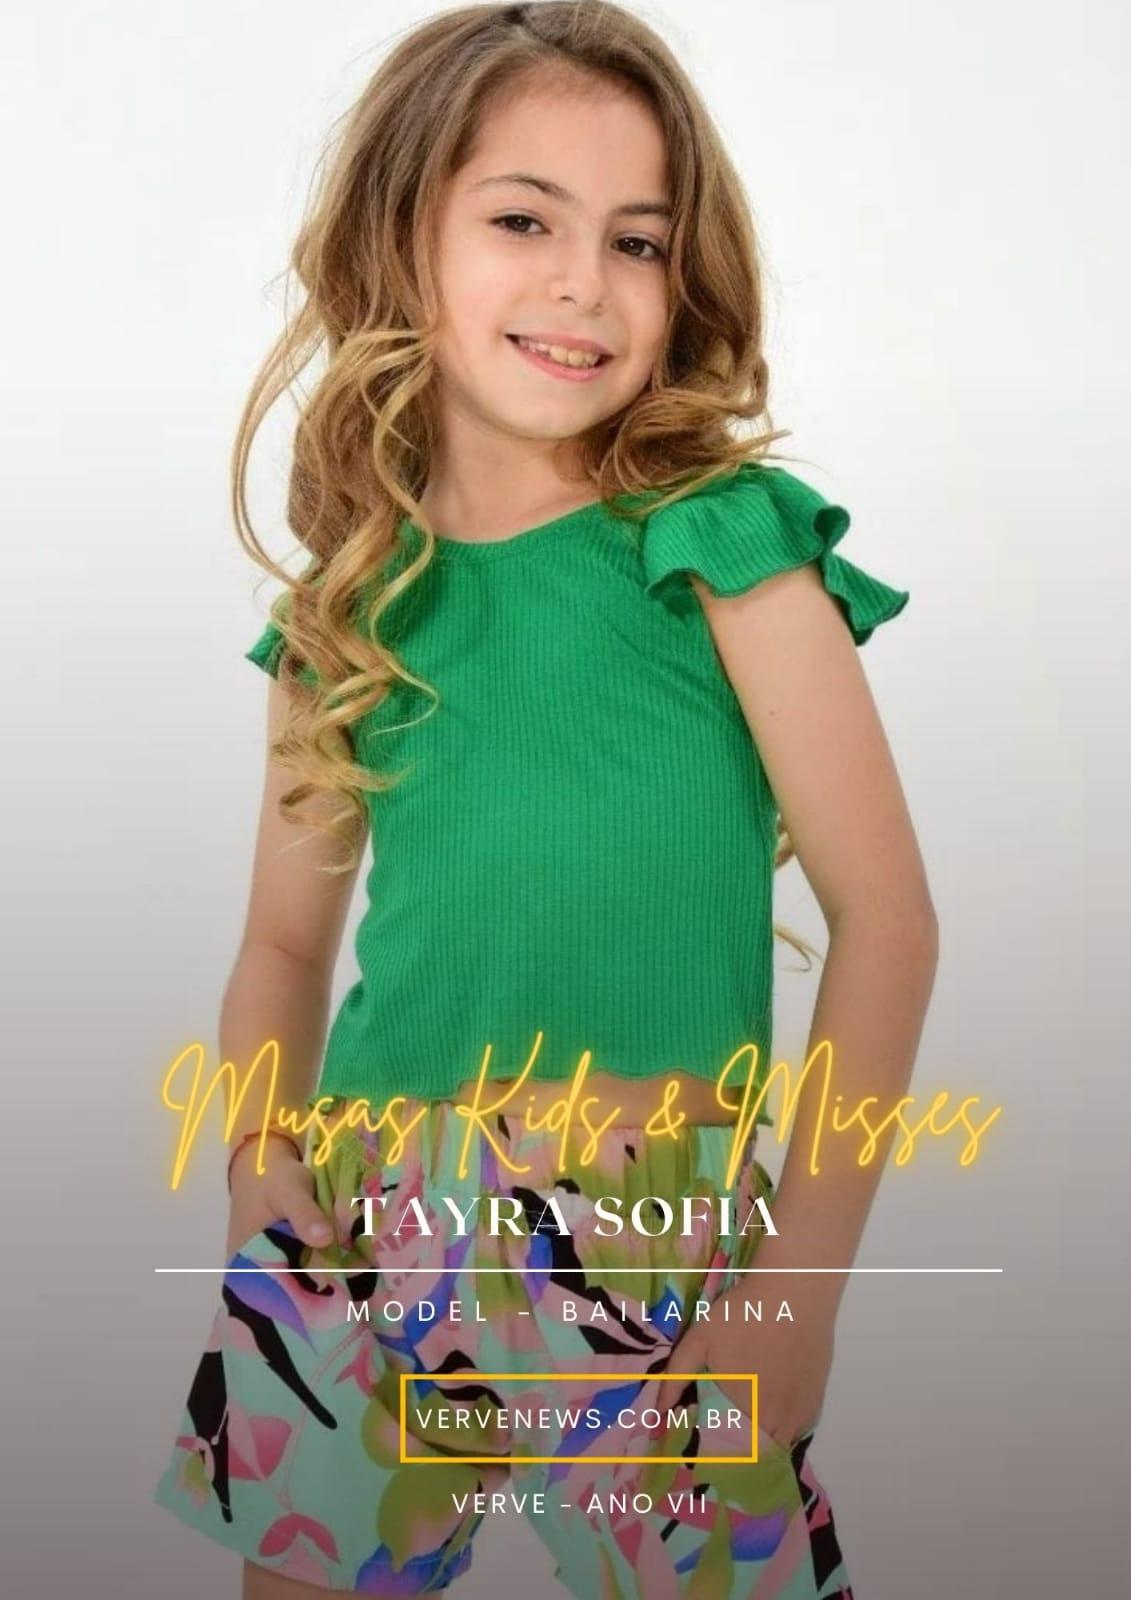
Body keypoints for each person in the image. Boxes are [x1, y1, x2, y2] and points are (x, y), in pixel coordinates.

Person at [152, 4, 938, 1595]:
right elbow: (283, 949)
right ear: (401, 238)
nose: (586, 282)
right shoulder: (350, 607)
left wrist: (798, 1291)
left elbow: (889, 922)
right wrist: (258, 1174)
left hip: (652, 1243)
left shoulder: (721, 543)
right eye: (525, 220)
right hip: (361, 1239)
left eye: (637, 240)